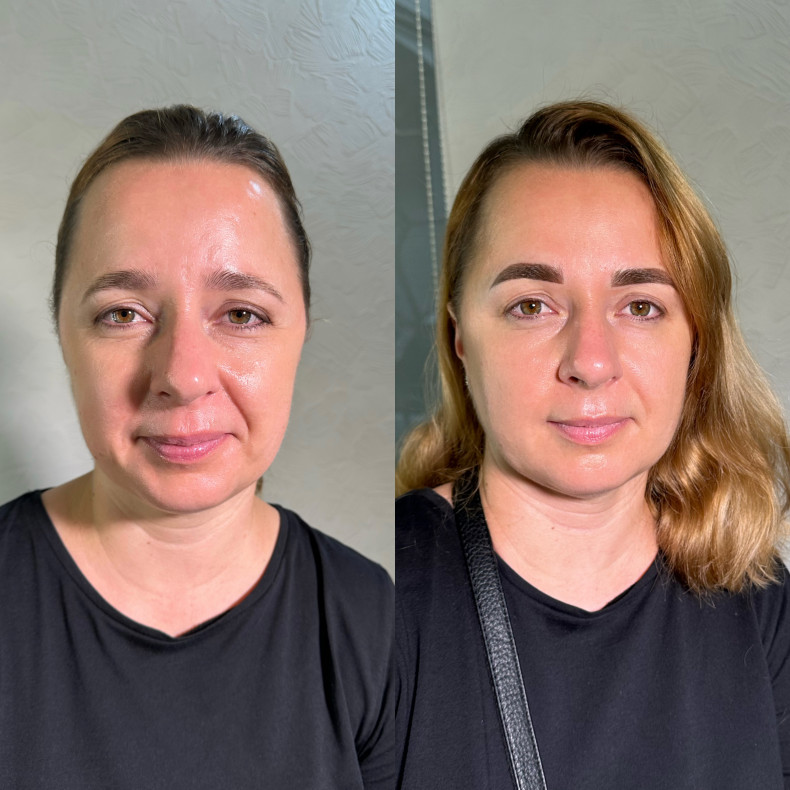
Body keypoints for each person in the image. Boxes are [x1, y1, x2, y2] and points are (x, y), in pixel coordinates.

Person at [395, 100, 790, 789]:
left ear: (695, 343)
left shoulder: (760, 603)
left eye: (641, 306)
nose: (591, 362)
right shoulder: (369, 602)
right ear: (461, 337)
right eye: (531, 305)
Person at [0, 105, 394, 789]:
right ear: (62, 331)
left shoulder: (378, 622)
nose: (182, 377)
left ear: (302, 329)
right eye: (122, 313)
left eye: (241, 314)